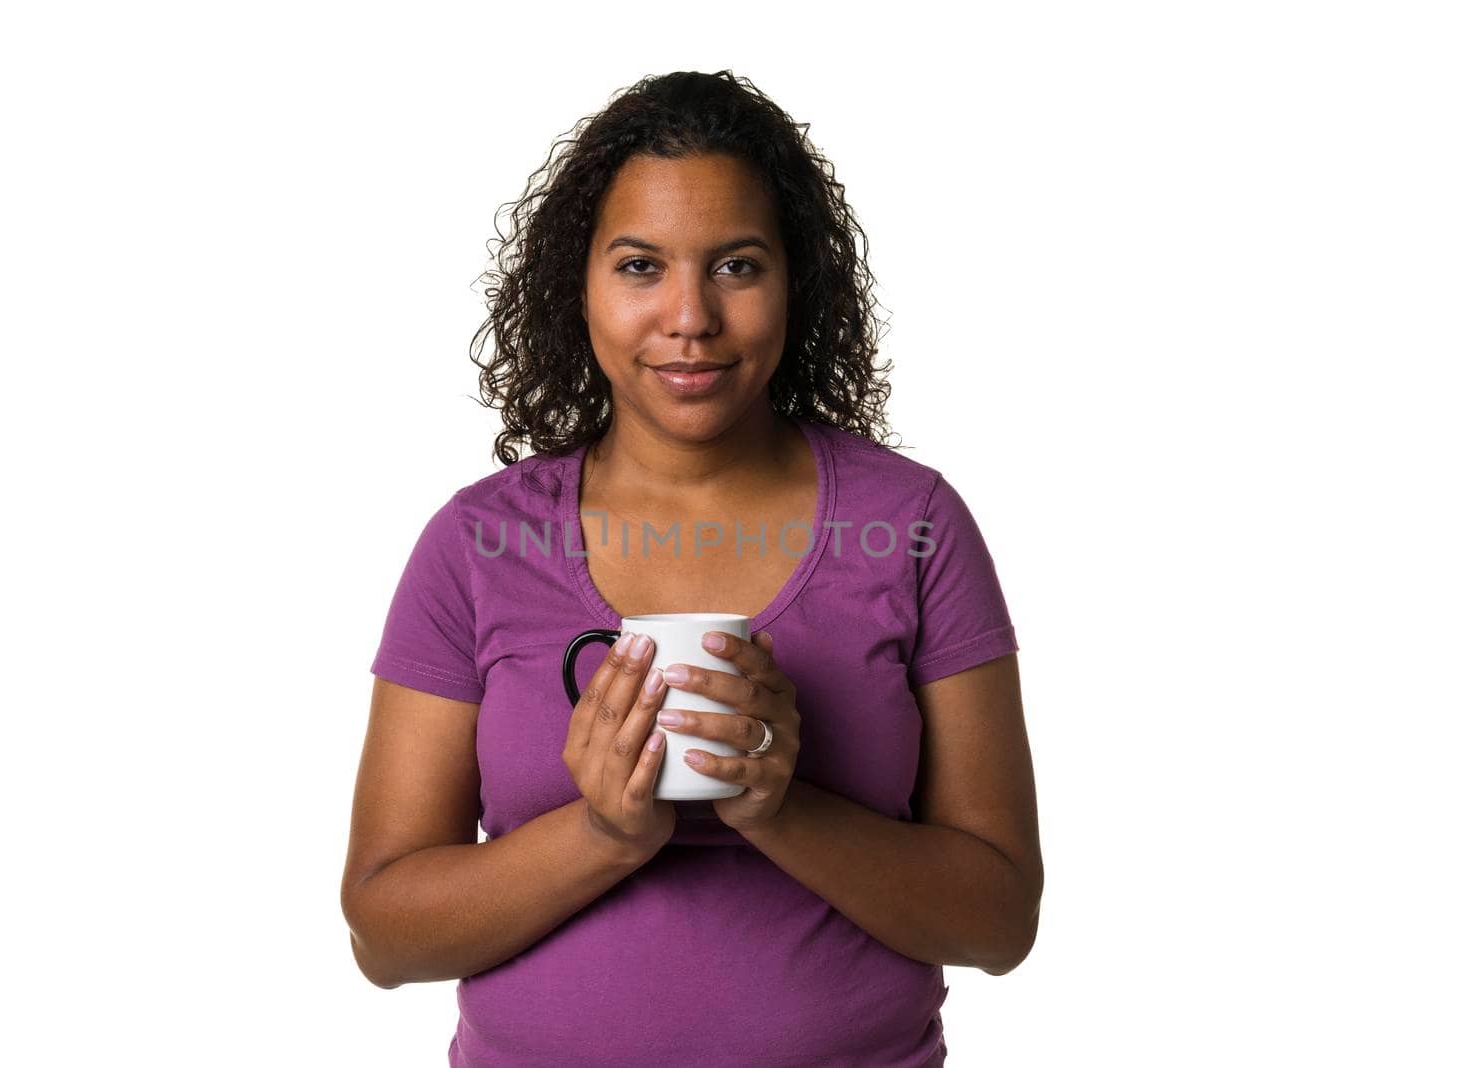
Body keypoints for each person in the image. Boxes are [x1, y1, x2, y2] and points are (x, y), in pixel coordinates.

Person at [340, 70, 1043, 1067]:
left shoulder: (913, 524)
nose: (689, 318)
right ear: (575, 285)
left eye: (737, 267)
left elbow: (996, 921)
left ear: (796, 281)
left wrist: (779, 808)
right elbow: (384, 936)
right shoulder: (476, 545)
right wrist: (605, 835)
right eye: (638, 266)